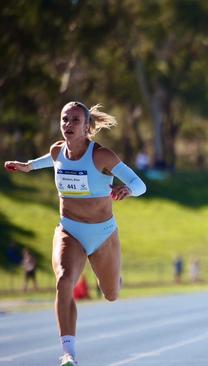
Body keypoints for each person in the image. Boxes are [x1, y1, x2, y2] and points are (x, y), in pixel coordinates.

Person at [3, 101, 146, 366]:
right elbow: (51, 160)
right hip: (70, 230)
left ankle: (115, 279)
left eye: (75, 120)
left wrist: (127, 190)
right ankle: (69, 353)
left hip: (103, 234)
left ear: (87, 126)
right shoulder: (57, 150)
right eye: (64, 119)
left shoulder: (101, 156)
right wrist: (28, 166)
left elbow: (140, 184)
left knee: (111, 294)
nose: (68, 125)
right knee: (64, 281)